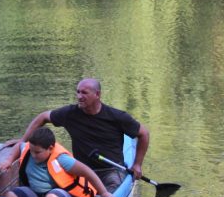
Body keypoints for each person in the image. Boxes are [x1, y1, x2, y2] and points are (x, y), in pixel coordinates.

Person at [16, 78, 149, 189]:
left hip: (111, 170)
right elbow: (43, 117)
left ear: (97, 94)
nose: (79, 96)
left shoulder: (117, 117)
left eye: (84, 93)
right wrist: (23, 140)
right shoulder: (70, 114)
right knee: (59, 190)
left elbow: (144, 134)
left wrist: (137, 164)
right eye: (78, 92)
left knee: (111, 192)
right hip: (81, 171)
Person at [0, 127, 114, 197]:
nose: (33, 155)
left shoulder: (62, 159)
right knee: (11, 196)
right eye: (31, 151)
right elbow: (20, 145)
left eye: (38, 152)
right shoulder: (28, 148)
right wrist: (9, 161)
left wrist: (104, 192)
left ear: (50, 148)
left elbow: (88, 172)